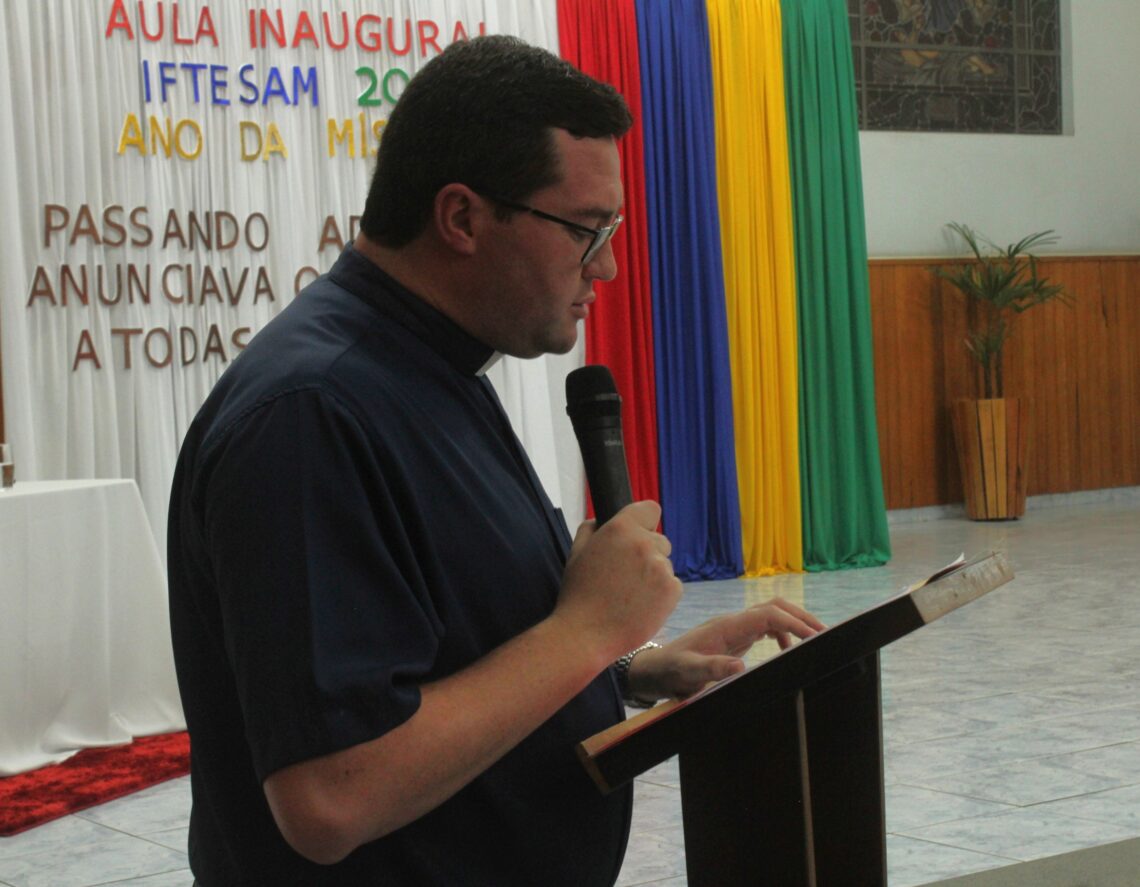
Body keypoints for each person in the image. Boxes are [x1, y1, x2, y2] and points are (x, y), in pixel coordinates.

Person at [167, 35, 823, 886]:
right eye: (586, 229)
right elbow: (331, 794)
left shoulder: (431, 366)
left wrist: (619, 669)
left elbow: (457, 649)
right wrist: (588, 630)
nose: (607, 265)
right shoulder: (310, 414)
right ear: (463, 218)